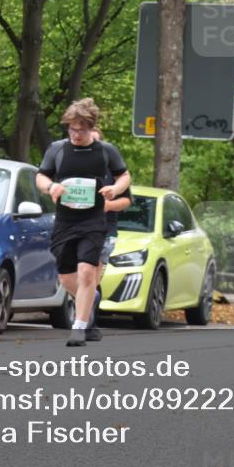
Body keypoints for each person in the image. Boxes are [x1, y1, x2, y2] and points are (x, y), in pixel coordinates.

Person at [36, 99, 131, 347]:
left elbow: (124, 175)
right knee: (68, 279)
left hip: (94, 220)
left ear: (91, 128)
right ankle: (89, 302)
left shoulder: (105, 151)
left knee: (87, 272)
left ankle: (79, 327)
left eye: (82, 130)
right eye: (72, 129)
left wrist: (115, 188)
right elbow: (41, 175)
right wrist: (51, 186)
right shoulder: (57, 149)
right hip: (65, 221)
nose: (77, 134)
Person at [87, 127, 132, 342]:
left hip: (104, 231)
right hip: (74, 228)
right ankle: (84, 318)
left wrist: (108, 205)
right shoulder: (73, 166)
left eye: (96, 142)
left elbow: (127, 201)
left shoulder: (112, 172)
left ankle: (89, 323)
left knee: (90, 277)